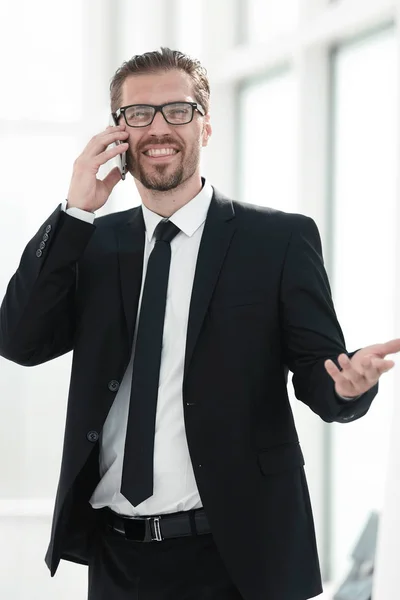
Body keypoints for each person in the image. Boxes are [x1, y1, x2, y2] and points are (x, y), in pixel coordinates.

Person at [0, 47, 399, 600]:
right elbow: (19, 341)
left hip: (237, 558)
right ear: (118, 132)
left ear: (205, 126)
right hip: (117, 558)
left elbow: (320, 374)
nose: (158, 127)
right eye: (138, 113)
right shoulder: (90, 242)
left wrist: (347, 385)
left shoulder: (277, 242)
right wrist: (74, 211)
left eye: (178, 111)